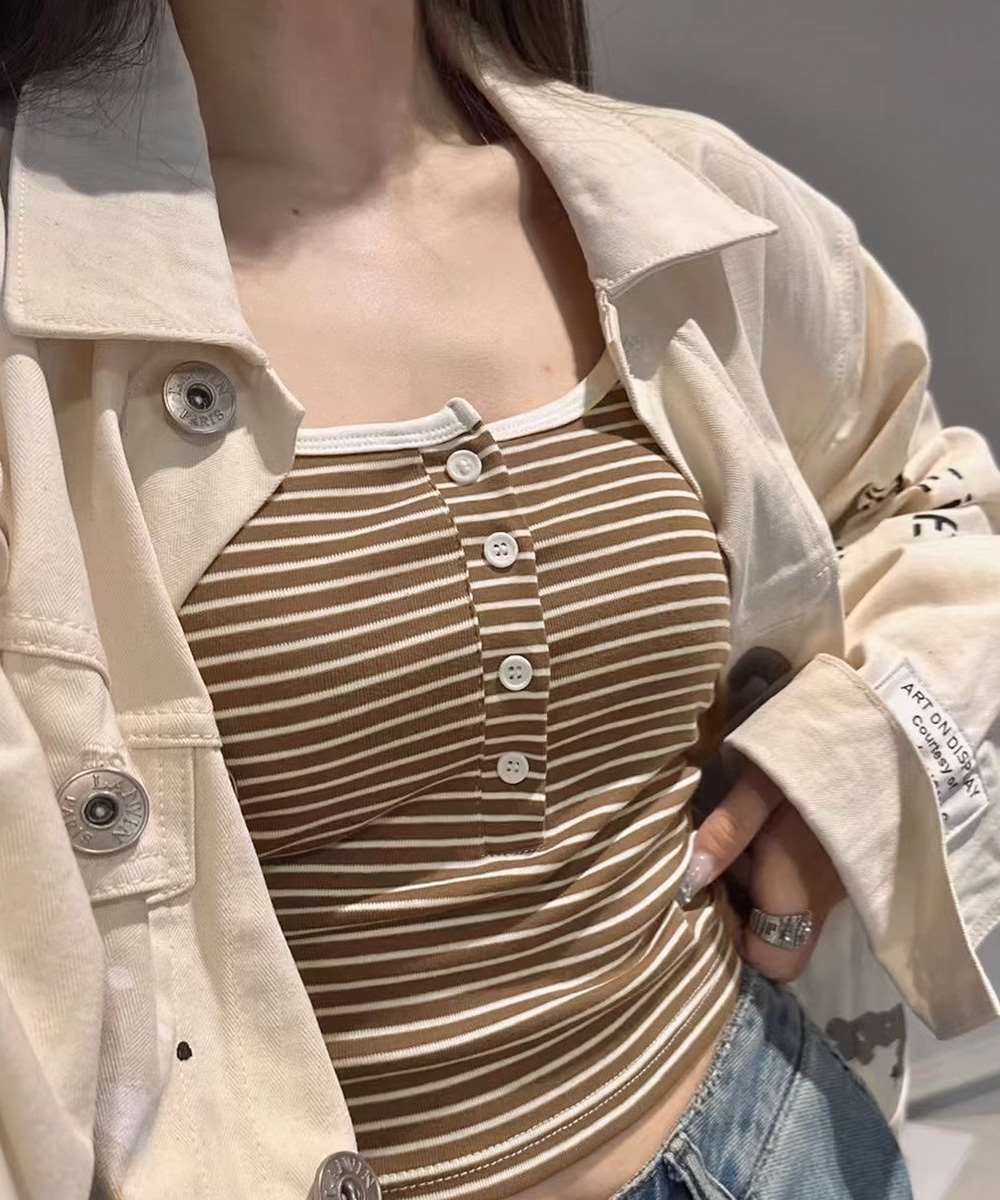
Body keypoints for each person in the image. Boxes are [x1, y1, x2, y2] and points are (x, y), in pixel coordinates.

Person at [1, 2, 998, 1199]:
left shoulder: (684, 197)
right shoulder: (29, 303)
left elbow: (924, 500)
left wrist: (851, 773)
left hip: (781, 1142)